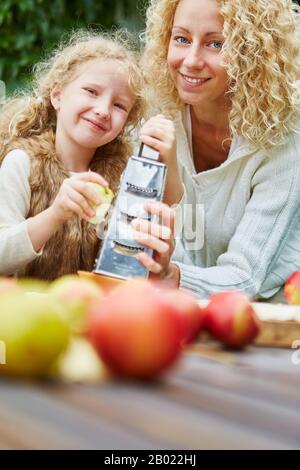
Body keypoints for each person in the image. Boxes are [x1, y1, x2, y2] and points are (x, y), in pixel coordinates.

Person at [137, 0, 300, 301]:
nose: (191, 61)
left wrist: (172, 276)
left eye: (215, 44)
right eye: (181, 39)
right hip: (170, 309)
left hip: (271, 318)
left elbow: (245, 278)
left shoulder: (282, 143)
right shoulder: (156, 115)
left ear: (252, 53)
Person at [0, 30, 171, 280]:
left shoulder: (123, 177)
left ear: (126, 122)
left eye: (119, 105)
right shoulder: (23, 163)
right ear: (57, 96)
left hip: (94, 313)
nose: (103, 110)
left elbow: (131, 263)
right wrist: (55, 214)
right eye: (91, 91)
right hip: (26, 310)